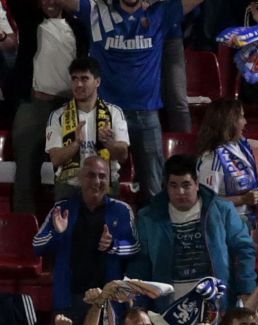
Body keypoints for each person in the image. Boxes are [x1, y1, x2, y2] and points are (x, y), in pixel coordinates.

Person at [61, 0, 206, 201]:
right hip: (106, 117)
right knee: (100, 189)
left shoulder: (160, 14)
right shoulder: (97, 12)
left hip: (146, 115)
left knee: (155, 191)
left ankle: (151, 232)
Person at [129, 154, 257, 308]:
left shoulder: (222, 210)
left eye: (186, 185)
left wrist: (246, 288)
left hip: (216, 301)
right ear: (166, 186)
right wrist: (137, 303)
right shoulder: (148, 217)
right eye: (173, 186)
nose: (180, 192)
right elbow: (141, 263)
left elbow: (243, 250)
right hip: (170, 305)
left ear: (197, 184)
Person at [33, 156, 139, 325]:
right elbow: (37, 246)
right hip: (69, 300)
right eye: (91, 175)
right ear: (80, 178)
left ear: (109, 179)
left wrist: (113, 245)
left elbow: (135, 247)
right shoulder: (63, 208)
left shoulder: (121, 210)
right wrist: (57, 233)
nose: (97, 181)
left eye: (102, 176)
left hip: (108, 301)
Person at [10, 0, 84, 213]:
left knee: (69, 176)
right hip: (35, 106)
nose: (50, 2)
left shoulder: (78, 27)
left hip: (67, 110)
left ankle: (64, 230)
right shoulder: (30, 21)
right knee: (25, 174)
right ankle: (24, 231)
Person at [45, 56, 129, 201]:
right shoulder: (58, 115)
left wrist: (108, 143)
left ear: (97, 81)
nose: (78, 84)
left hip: (104, 185)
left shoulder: (114, 112)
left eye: (84, 79)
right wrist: (75, 144)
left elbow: (123, 155)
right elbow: (55, 159)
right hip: (70, 186)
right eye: (74, 79)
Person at [196, 98, 258, 226]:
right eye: (241, 117)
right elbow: (206, 203)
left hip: (246, 219)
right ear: (229, 122)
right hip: (226, 224)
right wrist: (242, 199)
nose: (246, 122)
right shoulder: (212, 158)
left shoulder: (242, 146)